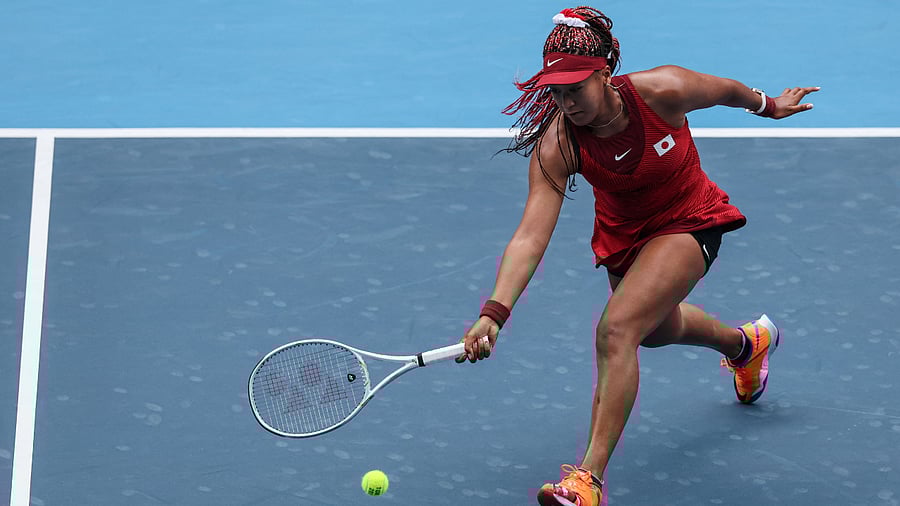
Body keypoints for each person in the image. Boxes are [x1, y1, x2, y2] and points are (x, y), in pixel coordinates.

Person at [456, 6, 818, 506]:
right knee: (654, 331)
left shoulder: (665, 90)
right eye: (555, 92)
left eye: (575, 88)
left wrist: (769, 105)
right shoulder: (558, 145)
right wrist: (493, 313)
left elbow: (726, 91)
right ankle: (745, 344)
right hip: (626, 240)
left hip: (690, 219)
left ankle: (588, 480)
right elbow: (530, 236)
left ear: (604, 73)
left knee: (617, 330)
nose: (566, 102)